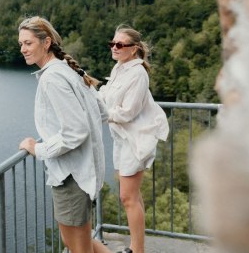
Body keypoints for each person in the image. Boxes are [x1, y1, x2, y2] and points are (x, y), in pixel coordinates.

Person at [17, 16, 110, 253]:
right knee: (78, 243)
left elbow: (76, 131)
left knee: (78, 247)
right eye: (21, 44)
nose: (23, 49)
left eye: (28, 43)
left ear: (46, 42)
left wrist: (38, 149)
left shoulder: (52, 78)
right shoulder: (67, 70)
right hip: (82, 170)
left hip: (72, 175)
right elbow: (101, 111)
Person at [99, 24, 169, 253]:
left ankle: (138, 251)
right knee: (132, 196)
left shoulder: (138, 74)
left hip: (136, 139)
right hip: (122, 139)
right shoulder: (120, 68)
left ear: (134, 49)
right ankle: (137, 248)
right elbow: (106, 95)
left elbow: (128, 111)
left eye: (120, 44)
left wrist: (101, 115)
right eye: (113, 43)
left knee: (127, 197)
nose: (114, 47)